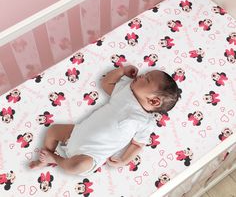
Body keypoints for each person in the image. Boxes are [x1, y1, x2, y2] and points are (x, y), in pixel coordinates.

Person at [29, 65, 180, 176]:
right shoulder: (126, 91)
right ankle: (43, 159)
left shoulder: (146, 122)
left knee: (77, 166)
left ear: (154, 101)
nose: (141, 75)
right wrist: (121, 71)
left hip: (91, 155)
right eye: (145, 73)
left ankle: (54, 159)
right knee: (54, 130)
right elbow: (106, 84)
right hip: (77, 132)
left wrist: (124, 160)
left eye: (146, 79)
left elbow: (137, 145)